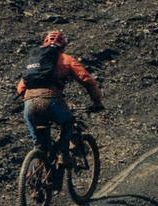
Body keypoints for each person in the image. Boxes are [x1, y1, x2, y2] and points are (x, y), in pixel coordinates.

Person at [17, 29, 103, 157]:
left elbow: (20, 89)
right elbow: (86, 79)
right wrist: (97, 102)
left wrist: (32, 98)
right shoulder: (65, 59)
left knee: (40, 145)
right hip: (51, 100)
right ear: (63, 45)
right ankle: (63, 155)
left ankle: (37, 162)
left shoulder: (35, 62)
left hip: (29, 104)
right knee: (68, 122)